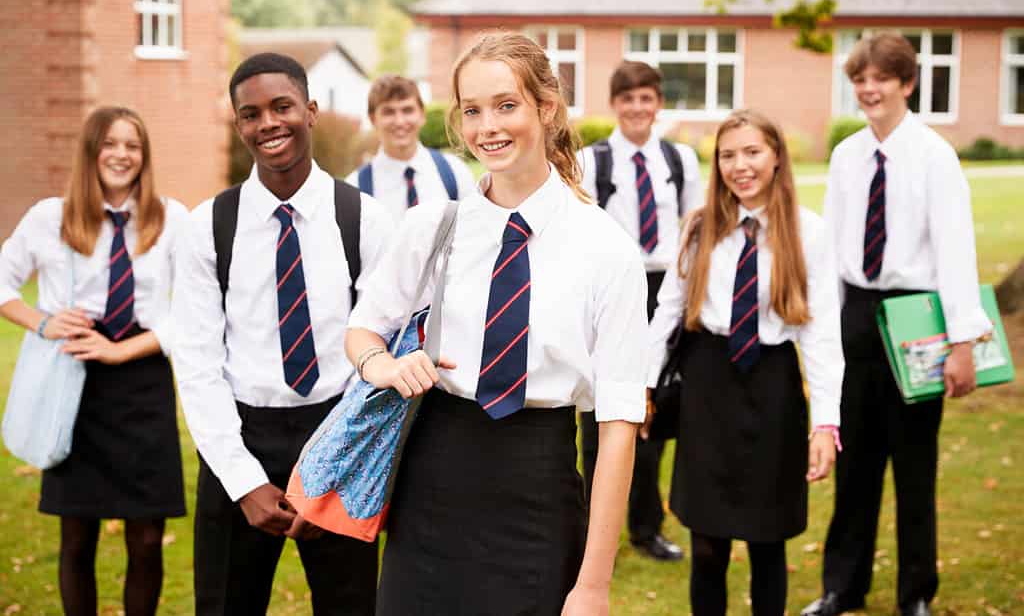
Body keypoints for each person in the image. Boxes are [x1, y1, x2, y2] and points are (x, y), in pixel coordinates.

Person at [345, 32, 648, 616]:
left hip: (536, 488)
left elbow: (617, 428)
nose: (488, 127)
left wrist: (594, 586)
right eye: (472, 110)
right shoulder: (432, 226)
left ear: (547, 106)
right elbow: (362, 328)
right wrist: (382, 364)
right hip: (431, 482)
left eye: (506, 105)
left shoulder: (606, 249)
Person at [171, 53, 393, 615]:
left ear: (311, 111)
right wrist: (243, 482)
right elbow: (197, 365)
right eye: (250, 114)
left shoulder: (363, 218)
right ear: (238, 125)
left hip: (340, 432)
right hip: (238, 436)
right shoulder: (209, 228)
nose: (268, 123)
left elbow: (385, 347)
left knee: (351, 605)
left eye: (282, 106)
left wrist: (335, 466)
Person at [802, 33, 992, 616]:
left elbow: (956, 249)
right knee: (854, 460)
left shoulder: (934, 155)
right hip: (856, 313)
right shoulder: (846, 156)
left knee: (914, 464)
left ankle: (915, 594)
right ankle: (843, 587)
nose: (868, 89)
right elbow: (831, 246)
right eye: (860, 79)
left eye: (881, 78)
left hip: (916, 315)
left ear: (907, 84)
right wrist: (823, 332)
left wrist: (962, 342)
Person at [647, 109, 843, 615]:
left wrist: (825, 424)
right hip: (707, 389)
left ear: (776, 157)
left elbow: (821, 336)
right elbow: (667, 312)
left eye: (752, 152)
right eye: (728, 155)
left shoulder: (810, 233)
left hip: (772, 387)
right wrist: (643, 387)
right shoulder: (699, 228)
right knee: (707, 544)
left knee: (767, 538)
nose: (740, 166)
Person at [0, 106, 187, 616]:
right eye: (110, 143)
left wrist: (123, 349)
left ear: (144, 156)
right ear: (90, 151)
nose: (122, 155)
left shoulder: (171, 219)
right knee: (77, 539)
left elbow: (196, 307)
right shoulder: (49, 216)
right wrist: (41, 321)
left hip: (142, 380)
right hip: (73, 380)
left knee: (148, 539)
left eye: (133, 145)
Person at [578, 60, 702, 562]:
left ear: (657, 103)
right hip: (610, 291)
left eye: (645, 98)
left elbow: (694, 229)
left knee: (654, 411)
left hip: (665, 291)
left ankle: (646, 527)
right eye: (627, 99)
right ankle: (590, 528)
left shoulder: (681, 160)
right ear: (615, 104)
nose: (637, 108)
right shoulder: (592, 160)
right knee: (599, 409)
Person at [347, 74, 476, 221]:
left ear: (422, 114)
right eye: (389, 112)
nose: (400, 121)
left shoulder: (454, 171)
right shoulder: (355, 189)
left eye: (407, 110)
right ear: (372, 119)